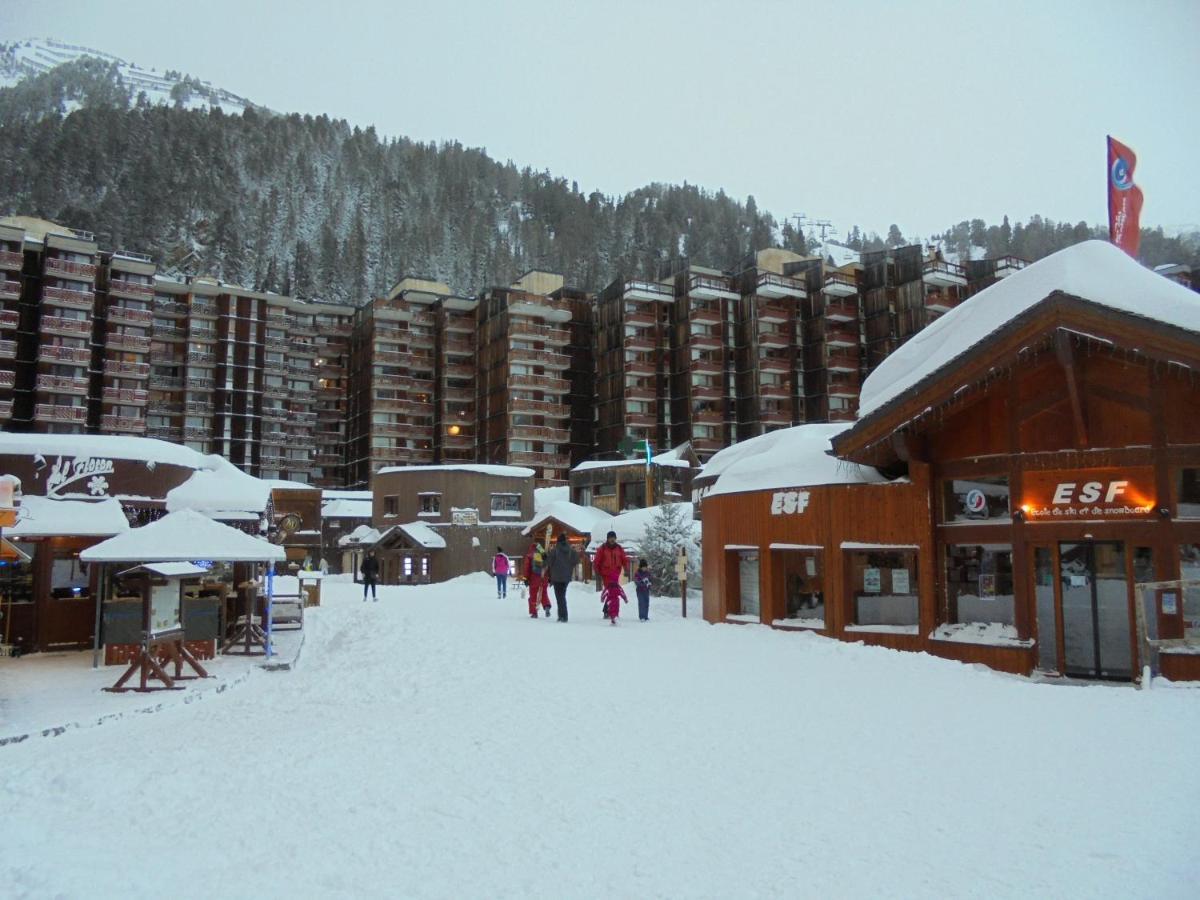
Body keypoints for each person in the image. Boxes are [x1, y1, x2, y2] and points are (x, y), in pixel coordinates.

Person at [593, 530, 629, 625]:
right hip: (606, 573)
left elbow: (624, 559)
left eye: (613, 538)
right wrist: (597, 572)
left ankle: (607, 610)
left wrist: (626, 569)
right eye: (610, 538)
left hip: (615, 573)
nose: (612, 539)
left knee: (612, 592)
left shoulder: (619, 548)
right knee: (610, 591)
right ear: (607, 538)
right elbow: (597, 560)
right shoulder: (603, 548)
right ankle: (608, 611)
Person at [546, 533, 579, 623]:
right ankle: (563, 615)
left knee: (559, 597)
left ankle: (562, 616)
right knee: (562, 596)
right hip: (566, 577)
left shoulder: (555, 550)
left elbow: (549, 562)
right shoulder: (571, 551)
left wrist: (546, 556)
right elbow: (576, 560)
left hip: (556, 577)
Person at [522, 540, 551, 619]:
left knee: (533, 595)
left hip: (534, 578)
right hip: (543, 577)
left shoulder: (529, 555)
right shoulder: (544, 555)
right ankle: (547, 606)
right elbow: (548, 567)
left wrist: (525, 579)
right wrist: (549, 578)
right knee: (544, 594)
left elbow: (526, 568)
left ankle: (534, 613)